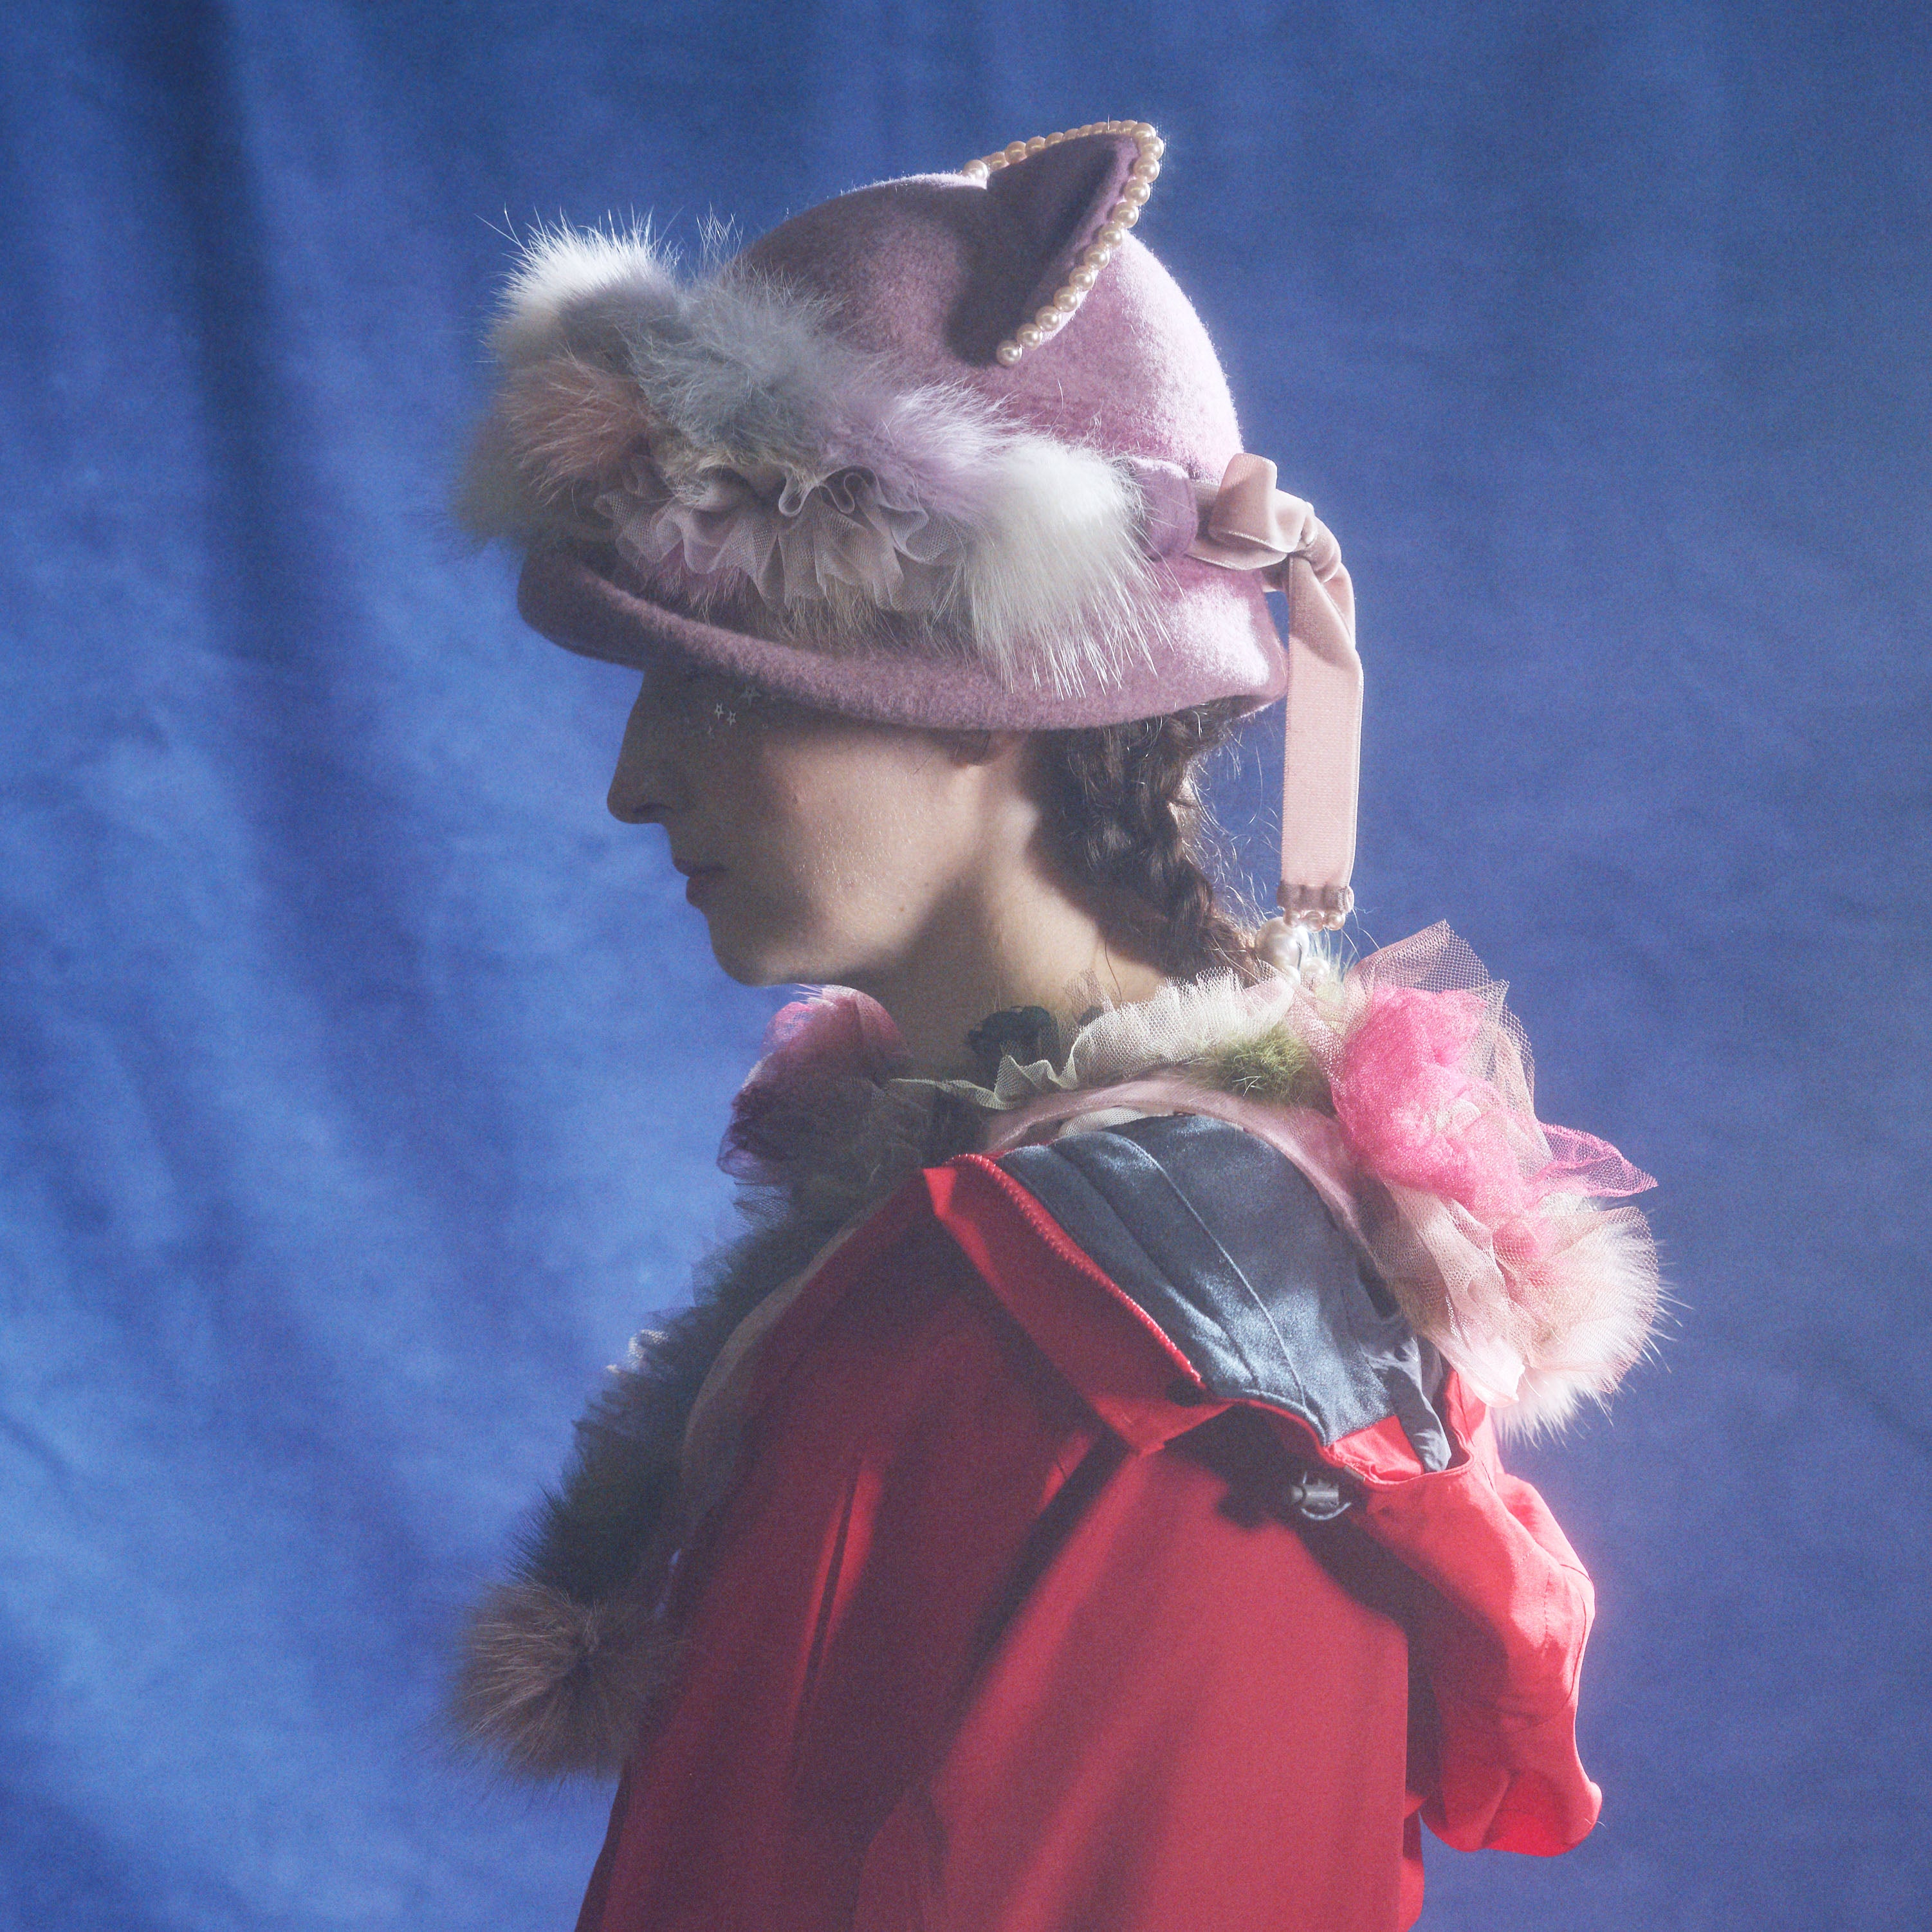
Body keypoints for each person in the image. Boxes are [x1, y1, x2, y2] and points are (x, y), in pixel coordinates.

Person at [452, 123, 1661, 1931]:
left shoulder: (1139, 1348)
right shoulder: (992, 1249)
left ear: (985, 686)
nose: (635, 782)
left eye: (713, 686)